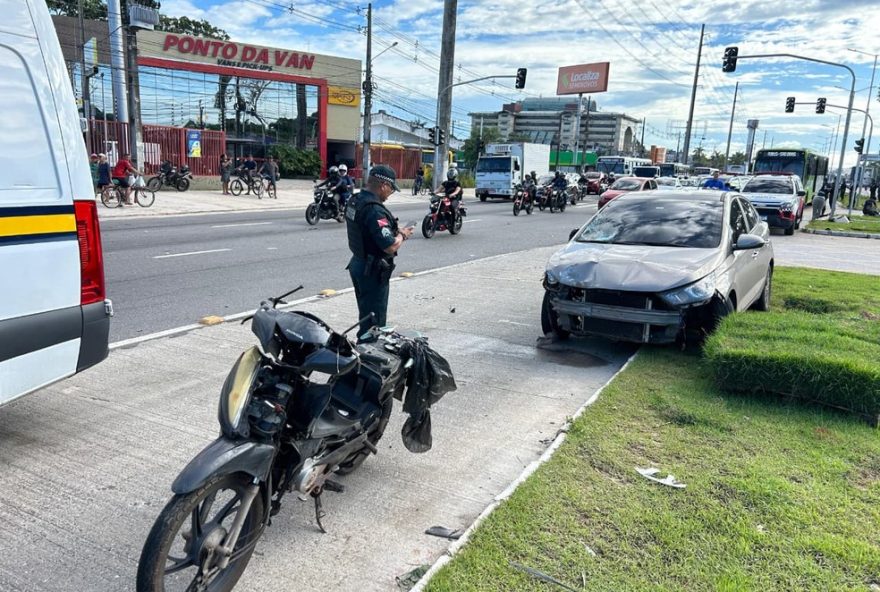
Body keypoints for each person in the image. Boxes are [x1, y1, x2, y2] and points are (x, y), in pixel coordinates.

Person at [345, 165, 413, 339]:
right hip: (372, 271)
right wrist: (402, 235)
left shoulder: (356, 200)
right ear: (383, 185)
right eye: (391, 189)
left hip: (358, 263)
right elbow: (389, 245)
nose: (390, 195)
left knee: (366, 316)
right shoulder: (374, 210)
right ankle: (369, 361)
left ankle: (363, 352)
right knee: (375, 324)